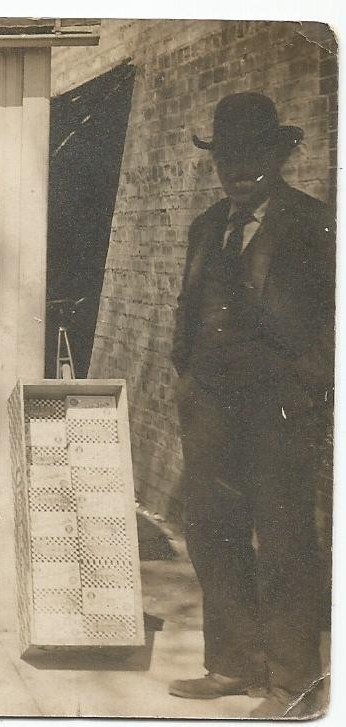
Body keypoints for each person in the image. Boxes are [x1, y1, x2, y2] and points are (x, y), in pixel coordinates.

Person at [167, 92, 334, 718]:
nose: (237, 170)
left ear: (277, 157)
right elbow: (188, 311)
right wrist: (187, 378)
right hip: (211, 407)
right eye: (226, 158)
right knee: (213, 532)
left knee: (285, 541)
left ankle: (295, 685)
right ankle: (234, 663)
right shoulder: (207, 227)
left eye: (252, 156)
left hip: (280, 413)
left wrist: (309, 389)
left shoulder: (315, 224)